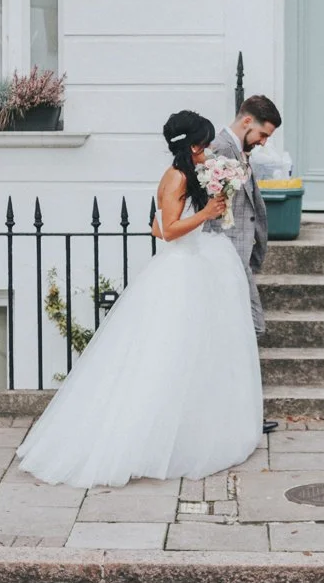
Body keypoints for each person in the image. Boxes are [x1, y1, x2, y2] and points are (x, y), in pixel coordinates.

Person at [15, 111, 263, 488]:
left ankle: (183, 430)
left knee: (191, 357)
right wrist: (208, 214)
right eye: (206, 143)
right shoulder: (177, 177)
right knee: (164, 356)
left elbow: (154, 223)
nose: (210, 149)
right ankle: (142, 439)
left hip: (194, 264)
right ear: (193, 146)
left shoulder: (186, 175)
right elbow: (166, 231)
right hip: (179, 272)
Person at [206, 95, 283, 434]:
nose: (265, 143)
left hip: (238, 257)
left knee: (246, 329)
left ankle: (240, 412)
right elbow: (211, 211)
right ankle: (233, 412)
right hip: (226, 256)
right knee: (248, 327)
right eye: (263, 135)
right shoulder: (222, 150)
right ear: (247, 121)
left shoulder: (239, 152)